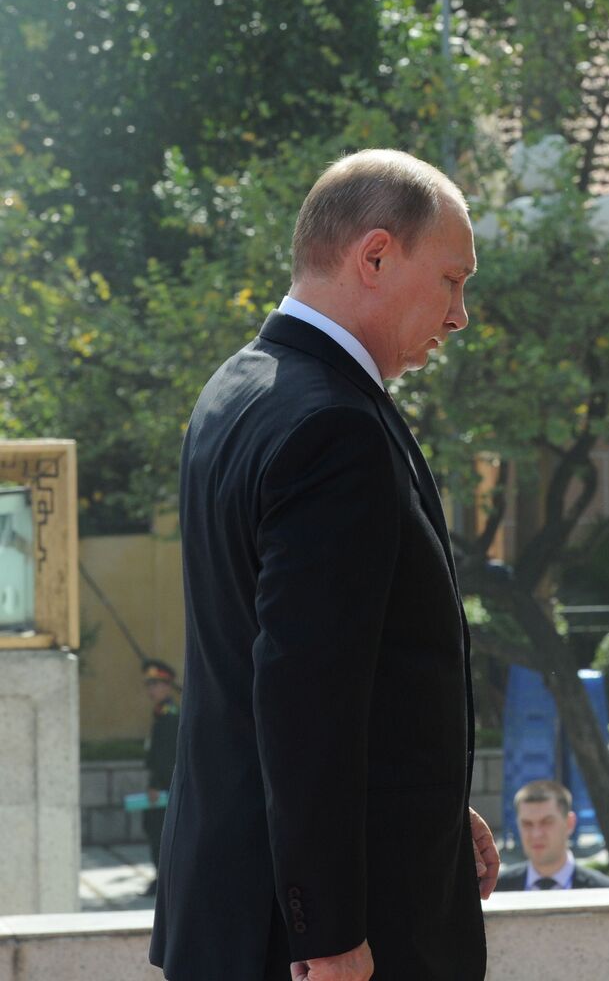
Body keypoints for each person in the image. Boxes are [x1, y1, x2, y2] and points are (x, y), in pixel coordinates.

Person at [150, 149, 497, 981]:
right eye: (451, 280)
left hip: (237, 904)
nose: (459, 316)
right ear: (374, 256)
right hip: (320, 939)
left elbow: (342, 672)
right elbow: (304, 696)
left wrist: (438, 807)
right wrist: (328, 931)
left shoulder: (239, 387)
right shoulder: (333, 427)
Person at [497, 780, 609, 890]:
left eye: (546, 822)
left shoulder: (607, 894)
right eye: (527, 824)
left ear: (569, 823)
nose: (536, 834)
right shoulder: (493, 891)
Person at [141, 659, 180, 897]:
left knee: (159, 830)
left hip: (164, 787)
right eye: (149, 684)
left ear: (167, 686)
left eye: (156, 684)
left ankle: (165, 877)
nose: (151, 689)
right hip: (160, 785)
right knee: (153, 828)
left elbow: (166, 757)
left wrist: (156, 784)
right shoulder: (161, 714)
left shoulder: (169, 716)